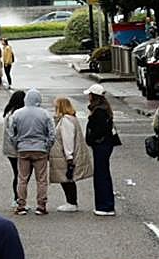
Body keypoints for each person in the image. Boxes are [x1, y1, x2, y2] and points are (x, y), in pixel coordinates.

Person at [8, 88, 55, 216]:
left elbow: (11, 133)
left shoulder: (17, 114)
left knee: (22, 178)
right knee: (41, 179)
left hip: (23, 148)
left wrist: (17, 144)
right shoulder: (45, 114)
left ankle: (21, 205)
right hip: (40, 148)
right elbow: (52, 134)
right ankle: (41, 205)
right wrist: (47, 146)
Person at [49, 97, 92, 213]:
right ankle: (71, 202)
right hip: (64, 154)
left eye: (56, 106)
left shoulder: (66, 120)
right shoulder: (70, 118)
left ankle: (71, 202)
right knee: (67, 178)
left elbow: (67, 139)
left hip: (64, 155)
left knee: (67, 178)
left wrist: (69, 156)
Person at [84, 84, 118, 216]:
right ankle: (106, 204)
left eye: (90, 94)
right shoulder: (104, 109)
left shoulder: (99, 112)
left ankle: (105, 206)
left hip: (101, 145)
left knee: (101, 175)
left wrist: (91, 139)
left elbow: (98, 130)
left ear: (94, 96)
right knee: (103, 173)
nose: (88, 97)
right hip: (105, 144)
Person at [0, 90, 27, 209]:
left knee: (18, 174)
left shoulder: (9, 112)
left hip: (10, 149)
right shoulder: (15, 114)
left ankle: (18, 198)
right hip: (15, 149)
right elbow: (13, 133)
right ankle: (17, 198)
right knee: (20, 175)